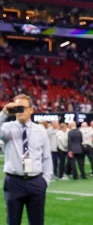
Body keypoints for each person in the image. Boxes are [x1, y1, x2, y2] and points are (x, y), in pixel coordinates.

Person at [0, 94, 53, 225]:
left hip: (36, 182)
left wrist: (45, 181)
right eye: (17, 107)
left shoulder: (40, 130)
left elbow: (46, 157)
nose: (20, 111)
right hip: (14, 182)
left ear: (31, 110)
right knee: (13, 221)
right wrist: (3, 113)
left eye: (23, 107)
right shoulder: (7, 127)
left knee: (37, 222)